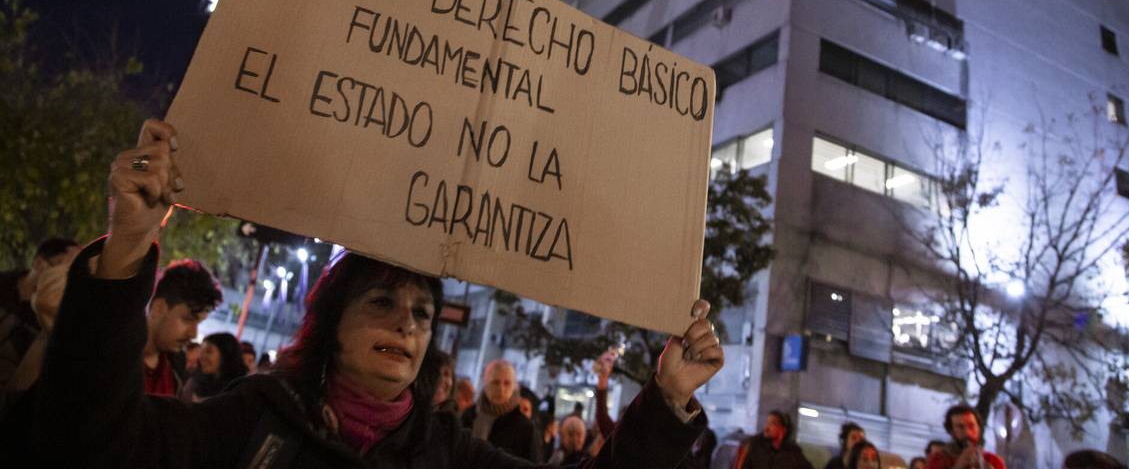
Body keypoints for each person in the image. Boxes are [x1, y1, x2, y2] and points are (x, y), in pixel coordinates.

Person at [30, 118, 724, 466]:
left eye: (423, 312)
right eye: (382, 303)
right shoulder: (254, 419)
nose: (408, 324)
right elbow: (91, 437)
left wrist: (665, 399)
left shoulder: (446, 451)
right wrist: (124, 252)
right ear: (333, 319)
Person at [0, 235, 77, 388]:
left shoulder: (49, 318)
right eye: (61, 267)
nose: (63, 278)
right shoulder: (3, 285)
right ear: (38, 262)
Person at [142, 256, 223, 397]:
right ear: (158, 307)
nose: (193, 334)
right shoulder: (113, 353)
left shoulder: (176, 367)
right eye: (188, 319)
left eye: (198, 323)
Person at [461, 358, 538, 460]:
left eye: (507, 383)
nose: (501, 389)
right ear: (485, 383)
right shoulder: (469, 415)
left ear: (514, 387)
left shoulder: (525, 427)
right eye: (495, 382)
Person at [928, 404, 1005, 469]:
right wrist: (959, 466)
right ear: (951, 431)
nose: (967, 432)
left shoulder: (993, 461)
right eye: (960, 427)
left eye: (971, 426)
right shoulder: (939, 459)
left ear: (979, 428)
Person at [181, 331, 248, 401]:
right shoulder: (194, 384)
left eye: (209, 351)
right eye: (202, 351)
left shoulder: (241, 390)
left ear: (226, 354)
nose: (201, 357)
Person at [734, 410, 813, 469]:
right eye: (767, 423)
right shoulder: (754, 445)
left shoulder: (793, 452)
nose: (766, 427)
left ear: (783, 429)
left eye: (772, 423)